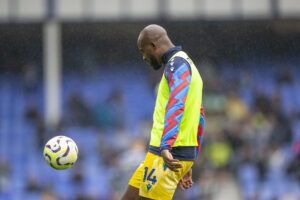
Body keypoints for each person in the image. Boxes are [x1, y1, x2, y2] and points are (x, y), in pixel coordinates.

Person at [121, 24, 205, 200]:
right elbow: (200, 115)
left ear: (153, 45)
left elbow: (176, 103)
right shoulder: (186, 64)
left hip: (167, 152)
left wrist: (167, 146)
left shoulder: (177, 64)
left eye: (143, 51)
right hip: (165, 153)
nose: (144, 57)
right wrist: (189, 160)